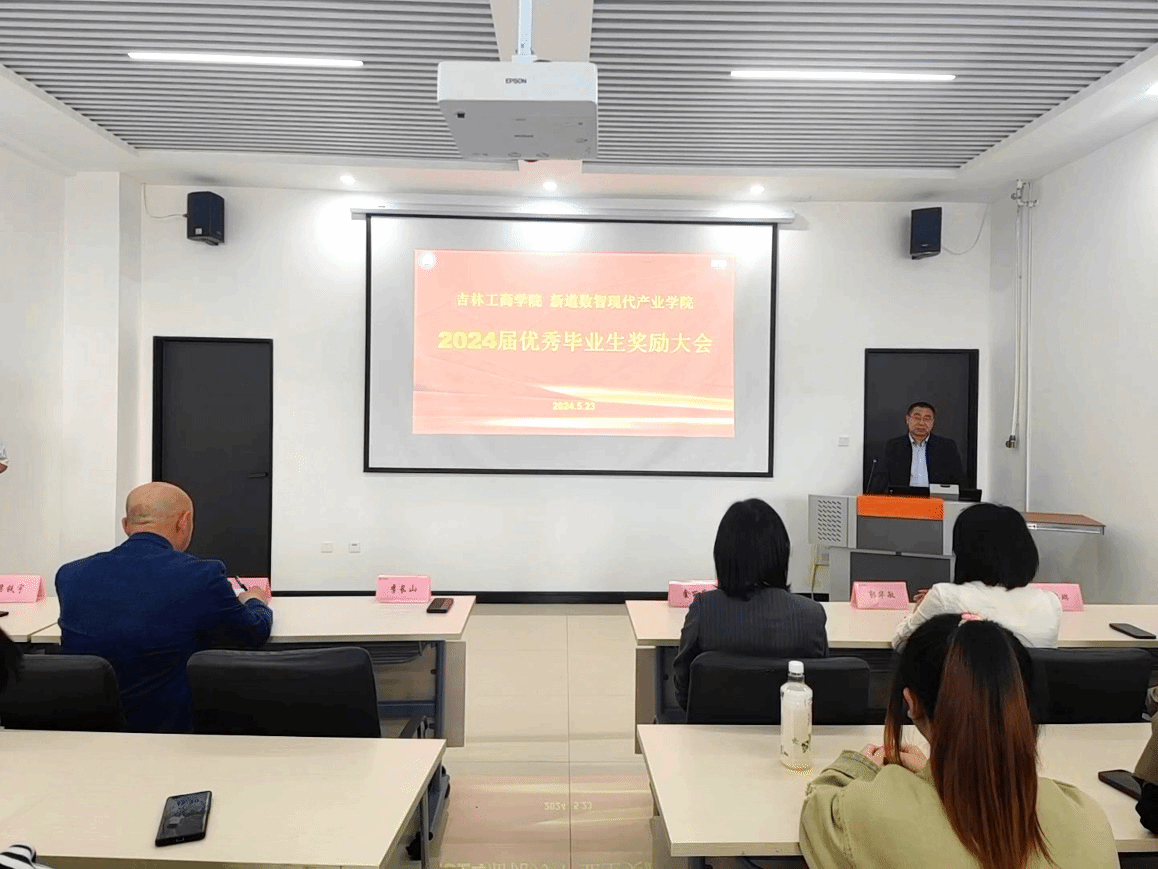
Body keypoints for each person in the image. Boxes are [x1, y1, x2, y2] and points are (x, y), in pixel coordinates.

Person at [800, 614, 1118, 869]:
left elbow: (817, 811)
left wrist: (859, 766)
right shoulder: (1087, 818)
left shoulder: (870, 813)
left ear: (911, 703)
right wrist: (937, 772)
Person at [55, 482, 273, 733]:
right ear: (184, 522)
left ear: (126, 525)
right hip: (168, 732)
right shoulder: (201, 575)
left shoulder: (70, 575)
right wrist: (255, 601)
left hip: (84, 731)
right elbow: (251, 634)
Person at [672, 499, 827, 709]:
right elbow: (821, 687)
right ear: (782, 553)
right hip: (789, 726)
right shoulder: (812, 614)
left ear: (722, 556)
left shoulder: (705, 610)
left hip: (715, 728)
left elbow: (684, 692)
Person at [891, 502, 1060, 650]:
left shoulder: (944, 597)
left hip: (958, 679)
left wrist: (921, 608)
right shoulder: (1050, 603)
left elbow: (901, 643)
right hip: (1024, 679)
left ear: (966, 553)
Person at [878, 401, 964, 490]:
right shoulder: (893, 446)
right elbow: (881, 481)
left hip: (936, 497)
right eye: (917, 418)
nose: (921, 423)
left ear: (933, 422)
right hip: (904, 497)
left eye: (927, 419)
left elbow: (958, 481)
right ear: (907, 420)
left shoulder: (946, 447)